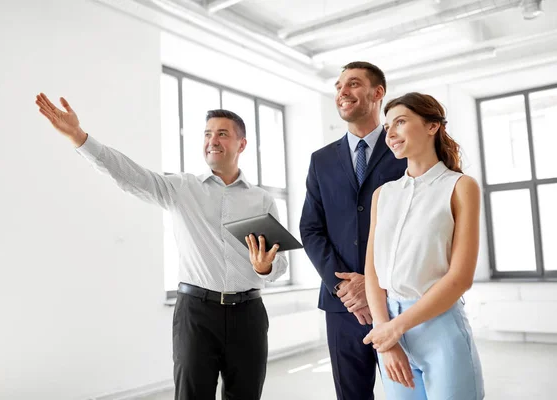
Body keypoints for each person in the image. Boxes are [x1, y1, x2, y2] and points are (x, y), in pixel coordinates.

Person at [34, 93, 288, 400]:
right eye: (207, 134)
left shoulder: (260, 200)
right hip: (196, 315)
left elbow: (279, 263)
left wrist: (266, 267)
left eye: (222, 133)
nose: (213, 140)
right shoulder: (182, 188)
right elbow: (129, 175)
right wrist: (80, 137)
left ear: (242, 144)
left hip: (248, 314)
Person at [363, 92, 484, 399]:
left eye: (400, 122)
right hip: (388, 326)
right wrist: (386, 334)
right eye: (387, 126)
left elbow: (460, 278)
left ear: (432, 126)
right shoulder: (383, 194)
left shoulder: (460, 187)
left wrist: (395, 328)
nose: (390, 133)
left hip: (439, 327)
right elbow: (372, 270)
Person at [299, 62, 407, 400]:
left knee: (409, 391)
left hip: (399, 301)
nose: (342, 92)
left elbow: (417, 229)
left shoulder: (406, 150)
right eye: (338, 86)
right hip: (342, 305)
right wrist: (344, 286)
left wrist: (373, 286)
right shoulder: (321, 160)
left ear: (378, 93)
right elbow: (311, 228)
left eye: (353, 84)